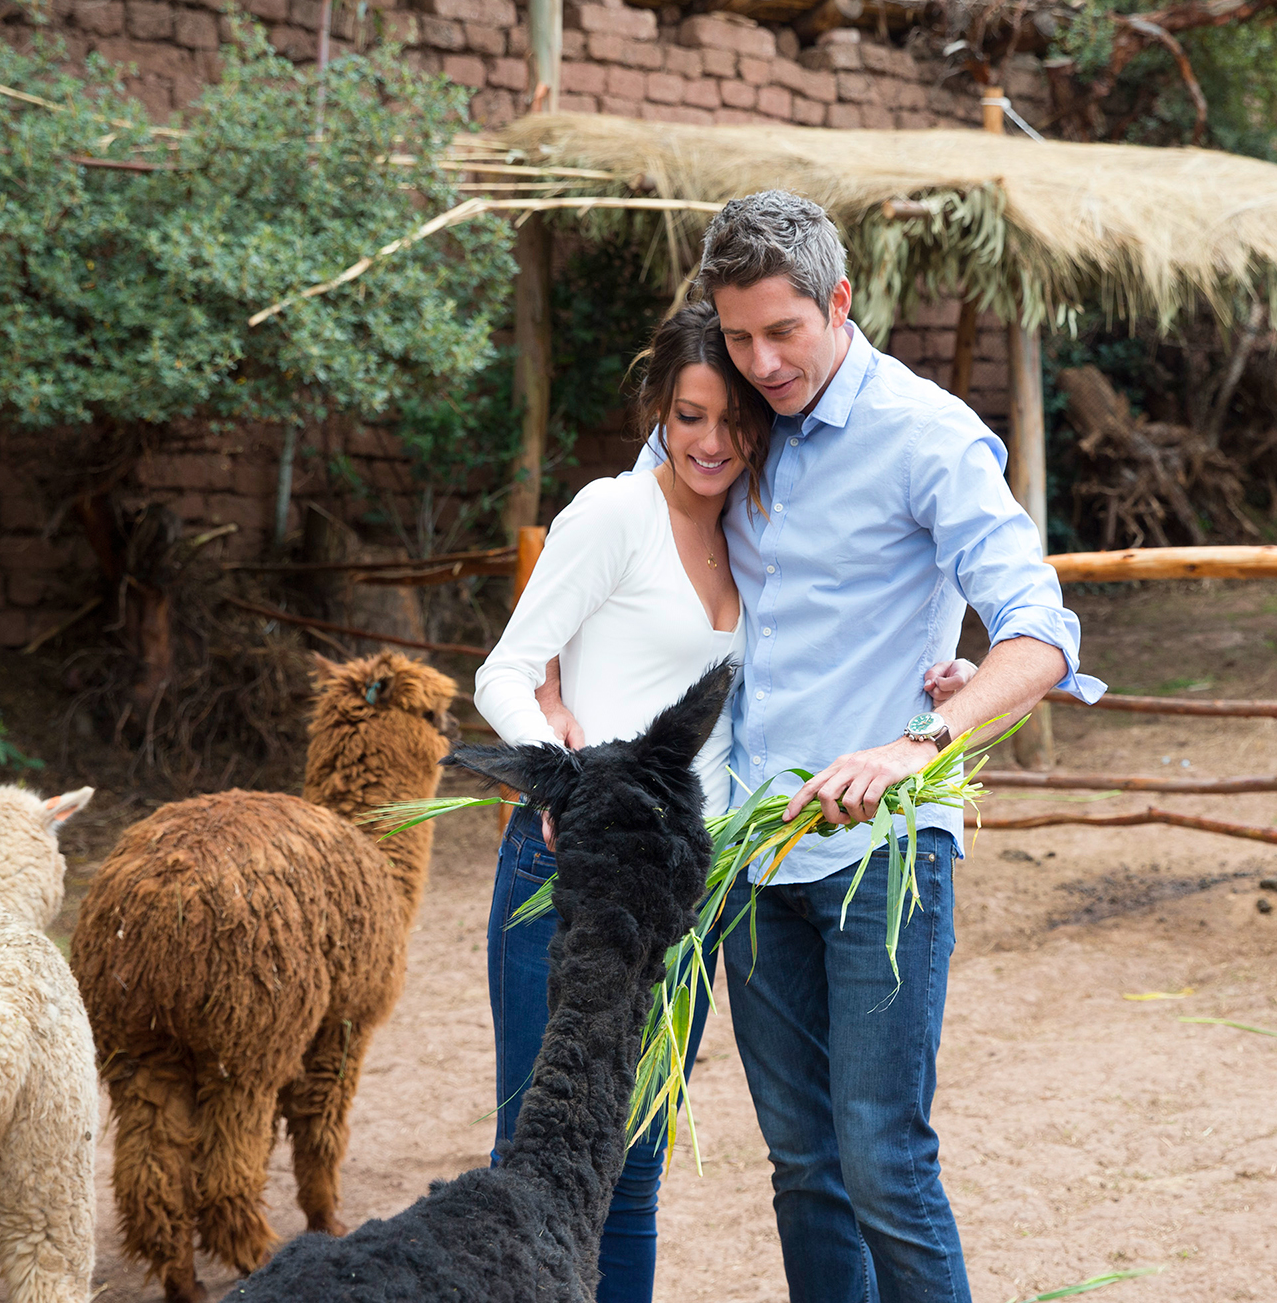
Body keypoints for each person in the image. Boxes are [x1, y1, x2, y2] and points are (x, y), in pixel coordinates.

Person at [628, 190, 1106, 1303]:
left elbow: (1039, 636)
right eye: (737, 335)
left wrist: (917, 739)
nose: (760, 360)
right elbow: (642, 553)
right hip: (755, 852)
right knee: (803, 1171)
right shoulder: (726, 424)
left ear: (839, 302)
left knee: (882, 1161)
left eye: (782, 331)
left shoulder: (924, 435)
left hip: (884, 848)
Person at [471, 302, 759, 1302]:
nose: (710, 442)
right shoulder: (615, 512)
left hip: (680, 895)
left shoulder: (759, 534)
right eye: (688, 416)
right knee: (538, 1165)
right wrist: (570, 776)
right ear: (657, 413)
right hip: (570, 872)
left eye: (731, 420)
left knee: (627, 1171)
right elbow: (505, 673)